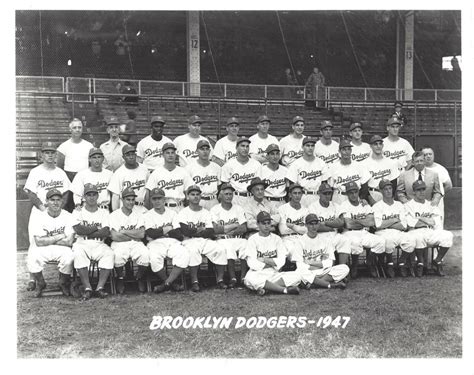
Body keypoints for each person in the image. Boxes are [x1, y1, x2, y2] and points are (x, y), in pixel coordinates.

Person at [23, 142, 71, 291]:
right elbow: (31, 193)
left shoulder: (60, 173)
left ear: (56, 155)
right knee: (34, 243)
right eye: (46, 152)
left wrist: (58, 208)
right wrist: (43, 207)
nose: (50, 155)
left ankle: (63, 278)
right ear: (41, 155)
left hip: (56, 210)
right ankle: (33, 277)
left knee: (59, 239)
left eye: (52, 152)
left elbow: (66, 192)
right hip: (40, 211)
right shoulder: (35, 171)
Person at [175, 185, 228, 291]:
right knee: (193, 251)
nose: (195, 197)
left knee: (220, 250)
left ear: (200, 196)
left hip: (204, 240)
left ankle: (220, 280)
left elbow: (210, 231)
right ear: (188, 197)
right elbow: (185, 231)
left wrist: (194, 231)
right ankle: (194, 281)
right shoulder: (183, 212)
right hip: (189, 240)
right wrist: (200, 229)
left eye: (198, 194)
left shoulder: (206, 212)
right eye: (192, 194)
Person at [27, 189, 76, 298]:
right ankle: (40, 283)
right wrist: (58, 236)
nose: (55, 203)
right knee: (32, 256)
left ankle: (62, 283)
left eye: (58, 200)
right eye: (52, 200)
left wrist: (48, 239)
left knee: (69, 258)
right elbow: (39, 242)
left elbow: (69, 241)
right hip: (45, 247)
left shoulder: (68, 216)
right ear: (46, 201)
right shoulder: (39, 216)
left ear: (62, 201)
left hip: (61, 247)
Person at [72, 184, 114, 299]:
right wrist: (96, 228)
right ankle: (87, 288)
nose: (91, 197)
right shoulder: (78, 211)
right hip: (82, 242)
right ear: (84, 197)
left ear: (97, 196)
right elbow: (78, 230)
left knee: (109, 253)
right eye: (88, 195)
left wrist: (88, 231)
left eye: (94, 194)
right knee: (78, 253)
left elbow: (105, 232)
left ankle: (100, 288)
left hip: (99, 243)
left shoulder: (104, 212)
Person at [244, 211, 301, 296]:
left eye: (268, 223)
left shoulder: (277, 239)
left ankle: (266, 289)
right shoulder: (252, 239)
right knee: (249, 279)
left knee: (297, 276)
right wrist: (272, 263)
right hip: (258, 273)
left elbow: (282, 261)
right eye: (263, 223)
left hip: (274, 273)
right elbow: (251, 262)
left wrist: (264, 259)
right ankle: (284, 290)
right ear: (258, 224)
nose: (267, 226)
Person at [144, 188, 189, 293]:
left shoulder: (172, 213)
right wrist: (168, 229)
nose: (157, 201)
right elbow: (151, 233)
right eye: (154, 199)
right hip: (155, 243)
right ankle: (171, 283)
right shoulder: (147, 215)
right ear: (151, 200)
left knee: (183, 254)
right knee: (154, 258)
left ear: (164, 199)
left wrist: (160, 231)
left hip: (172, 241)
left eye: (159, 198)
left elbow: (178, 233)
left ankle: (166, 284)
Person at [405, 180, 454, 277]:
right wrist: (427, 219)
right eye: (418, 190)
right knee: (418, 237)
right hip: (415, 231)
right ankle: (420, 263)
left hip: (429, 230)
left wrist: (420, 218)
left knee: (448, 235)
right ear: (414, 191)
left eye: (423, 189)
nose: (421, 192)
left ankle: (437, 260)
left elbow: (435, 221)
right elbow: (410, 223)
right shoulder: (408, 205)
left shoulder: (430, 205)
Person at [337, 182, 385, 278]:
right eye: (351, 193)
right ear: (347, 194)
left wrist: (355, 221)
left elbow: (371, 222)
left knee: (381, 241)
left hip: (364, 232)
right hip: (349, 233)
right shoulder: (343, 205)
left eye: (355, 192)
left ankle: (369, 262)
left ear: (358, 191)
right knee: (355, 242)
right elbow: (348, 224)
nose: (354, 195)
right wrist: (363, 221)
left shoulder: (364, 204)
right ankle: (354, 265)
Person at [108, 187, 150, 293]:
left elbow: (141, 234)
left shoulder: (138, 214)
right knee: (117, 255)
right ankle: (120, 278)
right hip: (119, 243)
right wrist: (133, 234)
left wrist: (124, 231)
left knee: (145, 254)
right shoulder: (114, 215)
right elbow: (114, 236)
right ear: (122, 200)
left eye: (132, 199)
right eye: (128, 199)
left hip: (136, 243)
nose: (131, 202)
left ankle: (139, 277)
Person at [373, 179, 416, 278]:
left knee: (411, 240)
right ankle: (389, 263)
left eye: (390, 188)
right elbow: (379, 225)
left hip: (397, 231)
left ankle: (401, 262)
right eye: (385, 189)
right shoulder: (377, 206)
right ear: (381, 191)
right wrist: (395, 220)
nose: (388, 191)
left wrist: (387, 223)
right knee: (388, 240)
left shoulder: (399, 205)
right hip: (382, 232)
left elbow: (404, 225)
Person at [293, 214, 350, 289]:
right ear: (306, 225)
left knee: (344, 268)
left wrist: (311, 263)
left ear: (318, 224)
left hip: (322, 270)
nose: (314, 227)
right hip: (308, 271)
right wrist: (319, 265)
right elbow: (299, 265)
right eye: (311, 224)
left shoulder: (325, 240)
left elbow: (330, 263)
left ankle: (315, 284)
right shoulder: (300, 241)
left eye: (316, 223)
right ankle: (329, 284)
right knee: (299, 272)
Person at [210, 183, 249, 288]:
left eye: (231, 194)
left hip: (237, 238)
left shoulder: (238, 208)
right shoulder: (215, 209)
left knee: (246, 245)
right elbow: (216, 229)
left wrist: (226, 229)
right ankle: (233, 277)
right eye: (226, 194)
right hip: (222, 239)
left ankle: (243, 277)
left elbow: (244, 228)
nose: (228, 196)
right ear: (220, 195)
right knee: (229, 248)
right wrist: (235, 225)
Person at [308, 182, 351, 266]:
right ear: (319, 193)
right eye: (325, 193)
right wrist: (332, 226)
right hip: (320, 236)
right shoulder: (313, 207)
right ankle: (330, 270)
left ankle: (342, 268)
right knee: (328, 246)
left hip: (334, 235)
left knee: (345, 240)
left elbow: (342, 223)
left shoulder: (335, 205)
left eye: (329, 193)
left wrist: (325, 223)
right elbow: (314, 227)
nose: (327, 196)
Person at [56, 118, 94, 211]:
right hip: (69, 178)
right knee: (68, 205)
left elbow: (91, 164)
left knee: (83, 205)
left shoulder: (89, 145)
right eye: (75, 127)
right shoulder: (63, 146)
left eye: (79, 127)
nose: (77, 130)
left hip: (84, 178)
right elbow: (59, 167)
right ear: (70, 130)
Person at [144, 143, 193, 212]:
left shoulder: (183, 172)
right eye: (167, 153)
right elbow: (149, 195)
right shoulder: (156, 173)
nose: (170, 155)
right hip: (163, 208)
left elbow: (189, 192)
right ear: (163, 155)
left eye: (172, 153)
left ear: (175, 155)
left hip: (180, 207)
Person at [287, 136, 330, 207]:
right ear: (302, 147)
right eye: (307, 145)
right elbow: (292, 185)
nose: (310, 148)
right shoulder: (296, 163)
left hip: (317, 196)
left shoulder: (321, 163)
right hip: (303, 196)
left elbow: (324, 183)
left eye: (312, 146)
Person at [220, 137, 262, 207]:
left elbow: (259, 184)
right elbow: (224, 185)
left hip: (252, 197)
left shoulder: (256, 164)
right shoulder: (229, 165)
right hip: (235, 197)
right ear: (236, 148)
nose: (245, 148)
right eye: (242, 146)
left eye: (247, 146)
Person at [327, 138, 370, 205]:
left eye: (348, 149)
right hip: (339, 197)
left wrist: (362, 198)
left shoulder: (359, 166)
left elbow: (364, 186)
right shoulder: (333, 167)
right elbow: (330, 187)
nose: (346, 152)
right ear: (339, 151)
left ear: (351, 151)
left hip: (355, 197)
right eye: (344, 149)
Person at [107, 145, 150, 211]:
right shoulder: (118, 173)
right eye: (128, 155)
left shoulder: (144, 169)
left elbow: (148, 191)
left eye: (133, 154)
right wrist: (116, 214)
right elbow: (115, 197)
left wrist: (147, 208)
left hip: (142, 208)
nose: (131, 157)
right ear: (123, 157)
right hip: (126, 209)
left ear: (136, 155)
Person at [185, 140, 221, 210]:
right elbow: (186, 189)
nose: (205, 151)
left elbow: (219, 186)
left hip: (213, 200)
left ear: (210, 151)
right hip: (198, 201)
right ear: (197, 151)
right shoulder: (189, 168)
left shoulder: (217, 167)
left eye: (207, 149)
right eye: (202, 149)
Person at [364, 135, 400, 205]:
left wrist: (391, 197)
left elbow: (394, 182)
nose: (378, 146)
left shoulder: (390, 161)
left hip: (388, 193)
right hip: (374, 193)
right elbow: (364, 185)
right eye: (375, 144)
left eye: (380, 144)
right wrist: (369, 198)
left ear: (383, 145)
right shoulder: (366, 163)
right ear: (371, 146)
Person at [422, 146, 453, 228]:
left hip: (437, 203)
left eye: (430, 154)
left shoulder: (440, 169)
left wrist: (438, 195)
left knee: (437, 225)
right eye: (425, 154)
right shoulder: (418, 169)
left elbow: (449, 185)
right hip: (422, 201)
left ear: (433, 155)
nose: (428, 156)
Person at [278, 184, 309, 260]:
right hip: (288, 239)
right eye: (295, 193)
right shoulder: (282, 208)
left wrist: (292, 226)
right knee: (296, 253)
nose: (297, 196)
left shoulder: (305, 210)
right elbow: (283, 230)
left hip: (302, 238)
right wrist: (300, 228)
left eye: (299, 193)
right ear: (290, 195)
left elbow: (307, 230)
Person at [261, 144, 288, 211]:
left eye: (277, 154)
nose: (275, 156)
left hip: (282, 201)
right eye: (272, 154)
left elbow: (288, 188)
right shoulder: (261, 170)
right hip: (267, 201)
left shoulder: (285, 170)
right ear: (267, 156)